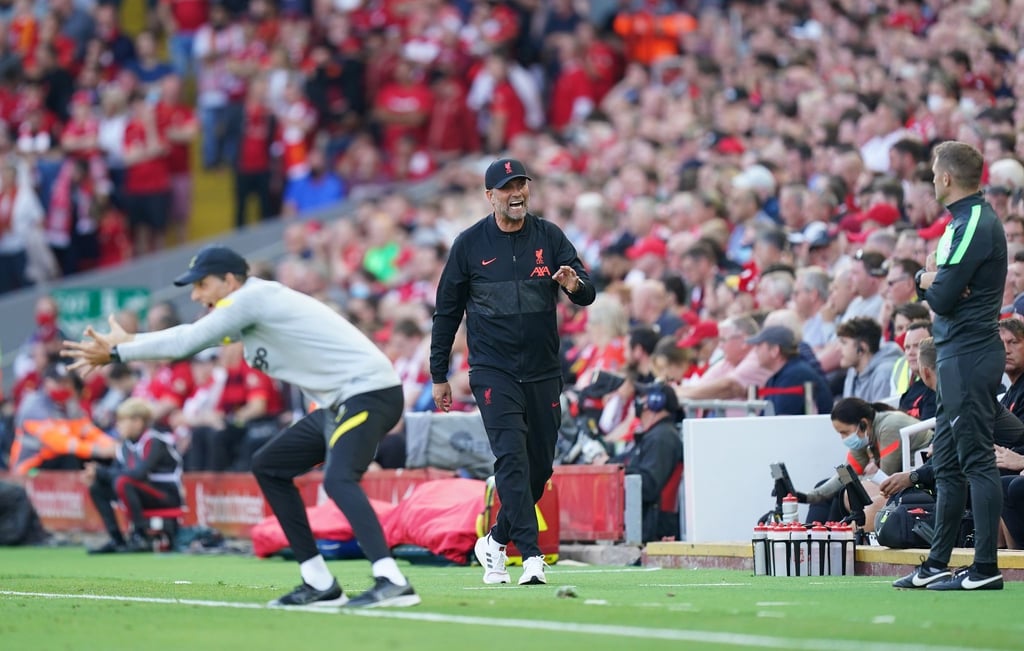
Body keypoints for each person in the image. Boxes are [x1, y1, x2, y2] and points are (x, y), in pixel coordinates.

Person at [63, 244, 420, 608]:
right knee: (269, 466)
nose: (196, 294)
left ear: (230, 281)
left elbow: (186, 341)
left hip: (369, 395)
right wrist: (131, 341)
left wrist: (118, 351)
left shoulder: (251, 299)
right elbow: (191, 335)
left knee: (338, 480)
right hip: (344, 402)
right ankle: (319, 582)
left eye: (202, 284)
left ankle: (391, 580)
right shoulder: (250, 307)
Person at [430, 158, 596, 586]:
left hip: (543, 370)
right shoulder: (468, 245)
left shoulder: (550, 236)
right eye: (506, 187)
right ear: (490, 196)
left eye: (521, 183)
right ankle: (532, 556)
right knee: (512, 458)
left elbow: (587, 292)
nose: (516, 192)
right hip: (493, 370)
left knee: (539, 467)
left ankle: (496, 539)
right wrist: (438, 373)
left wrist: (573, 284)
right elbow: (446, 312)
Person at [896, 140, 1008, 591]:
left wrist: (926, 279)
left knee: (976, 460)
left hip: (969, 353)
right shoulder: (962, 220)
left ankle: (985, 567)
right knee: (945, 463)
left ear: (945, 178)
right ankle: (937, 562)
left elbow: (939, 296)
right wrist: (937, 283)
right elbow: (943, 294)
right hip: (955, 354)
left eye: (932, 173)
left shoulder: (975, 221)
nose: (931, 180)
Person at [797, 397, 930, 527]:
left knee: (845, 490)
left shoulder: (889, 427)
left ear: (863, 424)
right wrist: (807, 497)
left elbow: (886, 477)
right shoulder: (864, 435)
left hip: (922, 480)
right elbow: (844, 475)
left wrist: (860, 478)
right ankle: (814, 535)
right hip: (899, 480)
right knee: (833, 486)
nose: (843, 438)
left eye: (845, 432)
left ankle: (831, 537)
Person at [85, 398, 183, 554]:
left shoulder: (153, 441)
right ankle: (117, 539)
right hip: (140, 492)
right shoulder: (124, 445)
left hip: (165, 495)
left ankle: (141, 536)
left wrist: (101, 471)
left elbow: (138, 474)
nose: (118, 425)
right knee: (97, 486)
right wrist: (97, 473)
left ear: (138, 422)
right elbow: (114, 473)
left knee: (123, 482)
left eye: (122, 420)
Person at [623, 381, 683, 542]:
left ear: (656, 402)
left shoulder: (662, 438)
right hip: (647, 522)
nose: (638, 401)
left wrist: (620, 472)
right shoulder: (654, 435)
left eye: (643, 397)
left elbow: (648, 485)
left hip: (654, 529)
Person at [747, 325, 832, 415]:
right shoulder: (783, 375)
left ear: (775, 350)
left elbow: (781, 422)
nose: (755, 351)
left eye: (759, 346)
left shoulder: (796, 375)